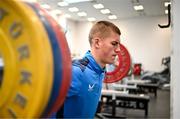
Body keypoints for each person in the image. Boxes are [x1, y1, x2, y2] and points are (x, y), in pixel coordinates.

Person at [56, 20, 121, 118]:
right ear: (97, 43)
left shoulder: (100, 71)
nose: (118, 49)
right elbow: (45, 104)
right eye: (114, 43)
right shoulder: (77, 72)